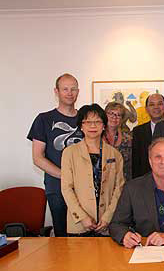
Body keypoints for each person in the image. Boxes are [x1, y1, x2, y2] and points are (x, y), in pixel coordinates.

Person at [27, 73, 83, 236]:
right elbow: (37, 157)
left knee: (85, 236)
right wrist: (65, 176)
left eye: (73, 89)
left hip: (83, 189)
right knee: (63, 236)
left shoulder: (86, 119)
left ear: (78, 92)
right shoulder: (43, 119)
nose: (69, 93)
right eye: (65, 89)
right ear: (56, 92)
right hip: (56, 188)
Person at [61, 104, 125, 236]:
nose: (93, 126)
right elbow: (66, 188)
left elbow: (119, 188)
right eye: (88, 122)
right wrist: (82, 217)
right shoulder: (69, 153)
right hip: (79, 223)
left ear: (104, 126)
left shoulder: (115, 154)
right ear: (81, 126)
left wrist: (108, 217)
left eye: (97, 122)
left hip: (106, 223)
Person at [132, 93, 164, 178]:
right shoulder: (138, 131)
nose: (156, 107)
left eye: (160, 104)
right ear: (146, 109)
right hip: (145, 182)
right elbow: (136, 162)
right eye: (152, 104)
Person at [104, 102, 132, 181]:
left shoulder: (129, 139)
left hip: (124, 183)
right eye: (111, 113)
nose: (114, 117)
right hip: (103, 184)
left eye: (118, 115)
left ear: (122, 119)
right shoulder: (96, 137)